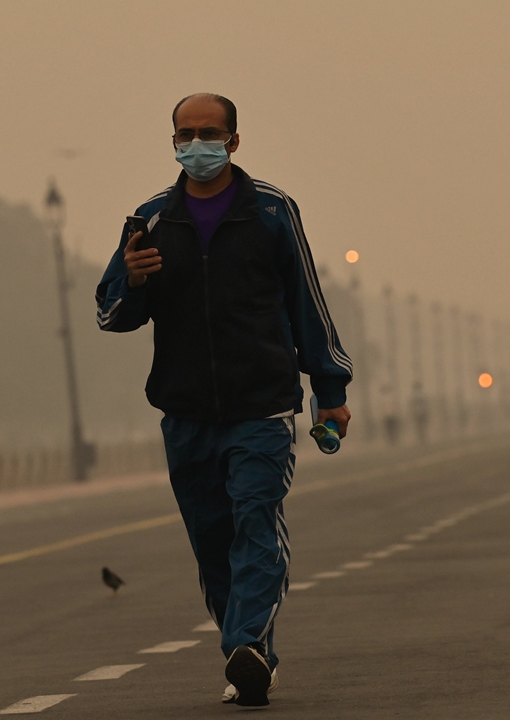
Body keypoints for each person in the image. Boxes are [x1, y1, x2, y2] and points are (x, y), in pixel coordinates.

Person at [95, 93, 352, 707]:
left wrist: (331, 388)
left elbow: (306, 300)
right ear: (172, 142)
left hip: (261, 406)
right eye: (185, 134)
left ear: (233, 141)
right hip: (185, 412)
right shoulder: (152, 220)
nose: (197, 144)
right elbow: (111, 313)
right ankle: (249, 658)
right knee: (213, 542)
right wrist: (133, 280)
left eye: (209, 133)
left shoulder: (271, 211)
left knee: (255, 520)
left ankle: (248, 646)